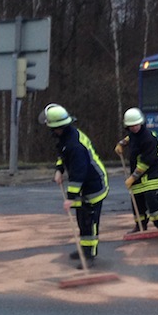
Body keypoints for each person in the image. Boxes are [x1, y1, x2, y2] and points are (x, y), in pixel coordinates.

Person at [39, 103, 109, 269]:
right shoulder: (65, 137)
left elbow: (79, 174)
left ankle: (90, 255)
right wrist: (59, 170)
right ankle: (84, 250)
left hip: (93, 186)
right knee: (82, 220)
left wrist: (70, 198)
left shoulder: (74, 144)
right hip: (84, 185)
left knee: (89, 221)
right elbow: (63, 155)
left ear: (58, 127)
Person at [114, 107, 158, 237]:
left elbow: (145, 163)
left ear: (141, 123)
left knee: (151, 198)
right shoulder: (133, 135)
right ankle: (140, 225)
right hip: (138, 172)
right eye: (131, 126)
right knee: (136, 199)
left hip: (152, 172)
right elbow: (129, 138)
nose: (134, 128)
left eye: (136, 125)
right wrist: (121, 144)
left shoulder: (148, 138)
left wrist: (132, 178)